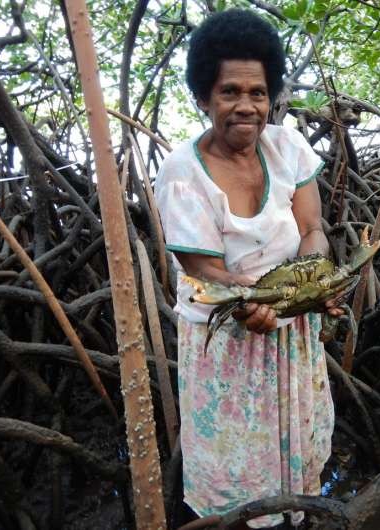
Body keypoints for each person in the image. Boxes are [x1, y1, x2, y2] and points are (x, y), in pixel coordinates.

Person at [153, 8, 340, 529]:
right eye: (229, 91)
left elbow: (312, 230)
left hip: (292, 329)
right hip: (226, 336)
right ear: (203, 97)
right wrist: (269, 300)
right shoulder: (181, 174)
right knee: (235, 473)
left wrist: (315, 280)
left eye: (257, 92)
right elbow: (207, 270)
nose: (246, 106)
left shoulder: (288, 147)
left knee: (295, 457)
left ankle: (295, 516)